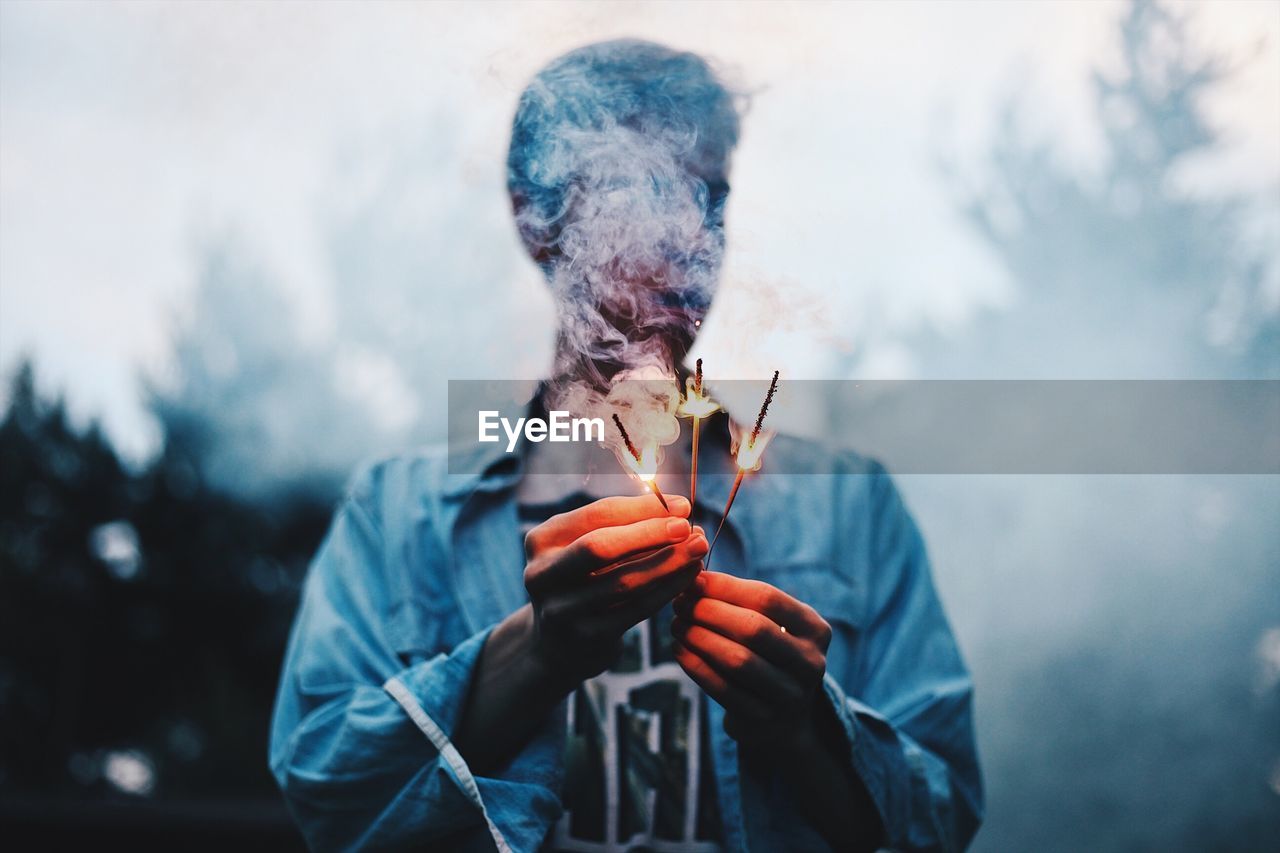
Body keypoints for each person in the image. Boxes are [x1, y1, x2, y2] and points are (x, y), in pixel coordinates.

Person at [269, 39, 982, 852]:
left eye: (708, 196)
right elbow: (328, 795)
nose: (688, 241)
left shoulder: (847, 508)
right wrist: (533, 654)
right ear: (534, 218)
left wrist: (805, 729)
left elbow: (942, 814)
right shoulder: (397, 514)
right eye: (639, 190)